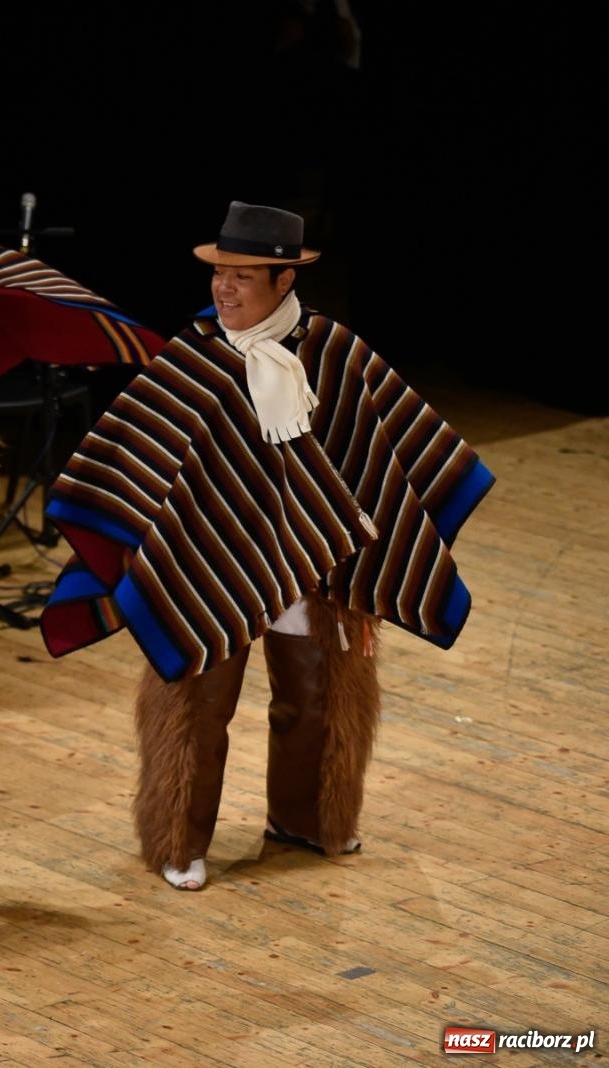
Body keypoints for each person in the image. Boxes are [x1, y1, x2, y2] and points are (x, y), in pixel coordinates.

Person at [40, 201, 494, 890]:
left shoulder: (333, 352)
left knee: (314, 697)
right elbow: (136, 455)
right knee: (198, 702)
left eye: (242, 276)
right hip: (208, 563)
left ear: (284, 281)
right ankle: (178, 842)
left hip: (314, 564)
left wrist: (366, 551)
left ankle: (307, 818)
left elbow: (388, 456)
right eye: (219, 273)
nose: (223, 287)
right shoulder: (195, 357)